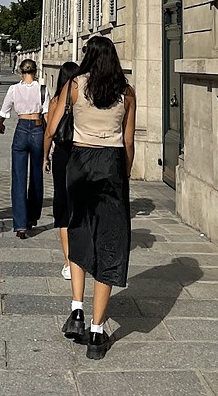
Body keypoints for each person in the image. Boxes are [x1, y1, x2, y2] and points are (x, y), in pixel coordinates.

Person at [45, 35, 136, 360]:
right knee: (109, 241)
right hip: (110, 164)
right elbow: (128, 142)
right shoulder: (126, 93)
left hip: (79, 163)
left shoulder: (74, 85)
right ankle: (98, 332)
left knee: (79, 230)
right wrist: (123, 173)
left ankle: (77, 310)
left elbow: (54, 127)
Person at [0, 59, 50, 238]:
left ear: (21, 72)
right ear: (36, 72)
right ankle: (32, 216)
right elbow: (47, 115)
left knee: (19, 178)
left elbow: (4, 111)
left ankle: (20, 224)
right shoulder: (42, 89)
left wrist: (1, 124)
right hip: (37, 129)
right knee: (36, 176)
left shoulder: (14, 89)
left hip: (21, 128)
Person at [43, 60, 80, 280]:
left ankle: (68, 262)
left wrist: (45, 156)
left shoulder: (57, 100)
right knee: (80, 205)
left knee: (63, 207)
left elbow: (49, 131)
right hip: (83, 153)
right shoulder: (85, 99)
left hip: (63, 154)